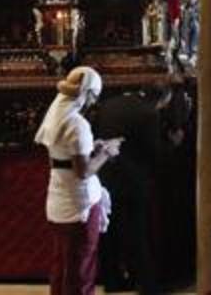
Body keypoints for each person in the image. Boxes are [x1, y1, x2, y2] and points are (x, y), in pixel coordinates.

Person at [34, 67, 120, 295]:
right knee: (82, 268)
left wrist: (93, 148)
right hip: (79, 204)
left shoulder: (55, 117)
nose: (93, 102)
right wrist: (107, 152)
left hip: (58, 199)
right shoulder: (77, 124)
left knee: (62, 265)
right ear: (87, 93)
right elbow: (83, 171)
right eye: (94, 96)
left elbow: (61, 160)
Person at [93, 84, 168, 293]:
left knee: (109, 232)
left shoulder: (108, 105)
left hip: (105, 175)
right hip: (133, 180)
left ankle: (112, 280)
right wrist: (172, 145)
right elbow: (154, 151)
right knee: (137, 232)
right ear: (162, 100)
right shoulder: (149, 113)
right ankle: (146, 283)